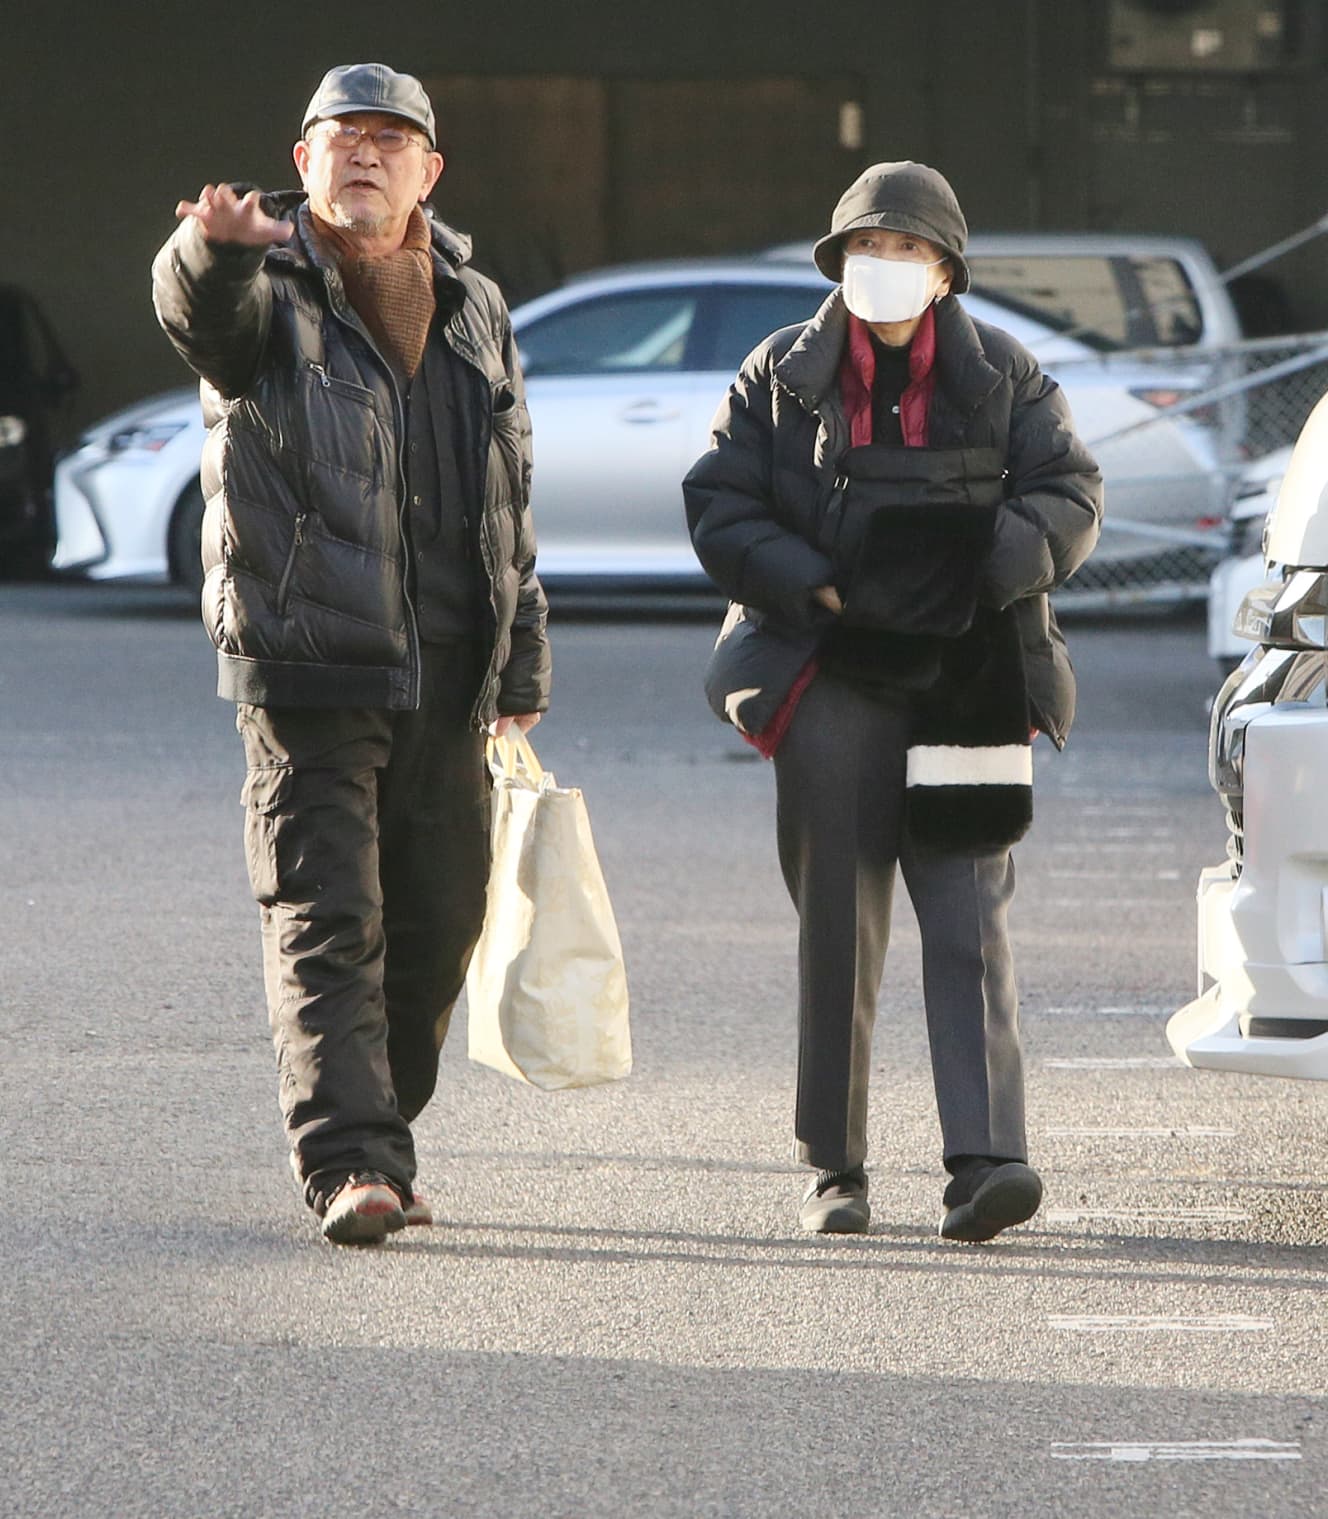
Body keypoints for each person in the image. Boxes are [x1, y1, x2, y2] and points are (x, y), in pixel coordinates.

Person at [152, 64, 549, 1246]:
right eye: (343, 138)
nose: (365, 155)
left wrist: (518, 664)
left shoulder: (475, 304)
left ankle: (381, 1128)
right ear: (305, 157)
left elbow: (509, 497)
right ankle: (352, 1166)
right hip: (309, 665)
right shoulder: (268, 286)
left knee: (440, 920)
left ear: (430, 170)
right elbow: (199, 319)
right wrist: (212, 254)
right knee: (329, 916)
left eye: (391, 139)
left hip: (448, 670)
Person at [684, 161, 1102, 1241]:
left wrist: (965, 572)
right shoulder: (778, 371)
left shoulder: (1006, 372)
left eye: (905, 250)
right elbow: (719, 505)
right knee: (840, 923)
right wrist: (810, 582)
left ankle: (986, 1159)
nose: (883, 268)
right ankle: (837, 1167)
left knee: (967, 915)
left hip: (967, 674)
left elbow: (1069, 496)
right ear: (837, 265)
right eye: (864, 251)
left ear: (945, 270)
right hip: (828, 670)